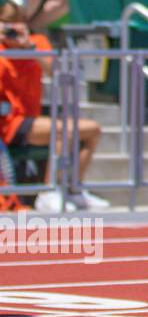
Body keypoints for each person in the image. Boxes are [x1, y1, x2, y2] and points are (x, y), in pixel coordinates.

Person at [0, 20, 107, 211]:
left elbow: (56, 73)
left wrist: (28, 46)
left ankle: (74, 189)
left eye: (16, 26)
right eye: (8, 27)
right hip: (10, 121)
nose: (12, 31)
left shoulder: (37, 42)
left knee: (93, 130)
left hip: (33, 116)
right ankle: (49, 191)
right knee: (62, 131)